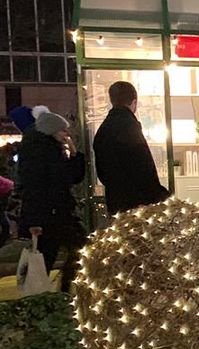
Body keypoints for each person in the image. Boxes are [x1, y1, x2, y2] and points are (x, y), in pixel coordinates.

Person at [17, 110, 87, 292]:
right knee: (63, 252)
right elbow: (35, 187)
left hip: (56, 214)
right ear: (52, 130)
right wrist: (34, 221)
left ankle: (52, 292)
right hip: (50, 215)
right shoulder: (41, 153)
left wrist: (74, 154)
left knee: (53, 255)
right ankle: (56, 291)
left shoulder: (50, 150)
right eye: (63, 130)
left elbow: (72, 177)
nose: (66, 134)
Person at [92, 81, 169, 216]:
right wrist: (159, 195)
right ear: (134, 102)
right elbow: (143, 166)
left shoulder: (104, 129)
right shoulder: (130, 127)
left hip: (116, 200)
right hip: (136, 202)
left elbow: (103, 171)